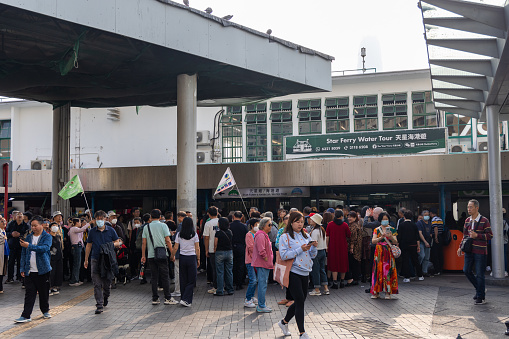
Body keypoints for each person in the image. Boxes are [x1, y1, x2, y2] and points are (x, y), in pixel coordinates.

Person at [277, 211, 317, 339]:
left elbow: (312, 255)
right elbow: (283, 255)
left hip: (306, 271)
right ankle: (302, 333)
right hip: (293, 271)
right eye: (297, 222)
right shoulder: (285, 237)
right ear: (291, 222)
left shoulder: (306, 235)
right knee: (299, 300)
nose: (300, 224)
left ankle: (284, 322)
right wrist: (301, 249)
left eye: (301, 222)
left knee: (301, 300)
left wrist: (313, 247)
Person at [15, 215, 52, 323]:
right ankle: (26, 315)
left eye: (35, 225)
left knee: (43, 292)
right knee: (29, 293)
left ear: (42, 225)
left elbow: (44, 249)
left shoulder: (47, 237)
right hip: (30, 270)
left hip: (43, 270)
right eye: (32, 226)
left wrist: (29, 246)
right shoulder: (28, 237)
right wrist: (22, 267)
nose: (33, 228)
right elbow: (23, 253)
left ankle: (45, 310)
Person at [84, 210, 122, 314]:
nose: (99, 221)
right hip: (95, 259)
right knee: (97, 283)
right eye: (97, 219)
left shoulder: (110, 230)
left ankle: (106, 296)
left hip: (108, 260)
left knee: (107, 282)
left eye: (101, 219)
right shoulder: (92, 232)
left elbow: (117, 242)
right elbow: (88, 245)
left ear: (105, 219)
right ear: (95, 220)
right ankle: (99, 304)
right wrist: (86, 259)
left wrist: (109, 246)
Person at [457, 199, 493, 305]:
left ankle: (480, 296)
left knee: (480, 274)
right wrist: (460, 247)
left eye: (471, 207)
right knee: (466, 270)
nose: (468, 209)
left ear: (477, 208)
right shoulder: (467, 220)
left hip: (480, 251)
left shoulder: (484, 220)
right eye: (468, 207)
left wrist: (477, 235)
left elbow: (490, 235)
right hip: (469, 250)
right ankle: (480, 289)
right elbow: (464, 236)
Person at [141, 209, 177, 306]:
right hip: (162, 254)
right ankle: (167, 297)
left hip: (151, 255)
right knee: (165, 276)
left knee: (154, 277)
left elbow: (144, 243)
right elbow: (168, 240)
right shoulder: (163, 225)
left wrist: (143, 255)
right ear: (160, 217)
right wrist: (172, 253)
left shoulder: (146, 227)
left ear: (151, 217)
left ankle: (155, 298)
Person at [170, 216, 199, 307]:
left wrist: (172, 256)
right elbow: (197, 248)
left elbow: (175, 247)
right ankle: (187, 300)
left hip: (182, 258)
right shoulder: (194, 234)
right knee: (191, 280)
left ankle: (183, 298)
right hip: (191, 258)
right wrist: (198, 259)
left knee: (183, 279)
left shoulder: (179, 234)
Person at [370, 212, 398, 299]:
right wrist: (381, 237)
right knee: (378, 270)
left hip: (388, 251)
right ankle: (376, 292)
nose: (385, 221)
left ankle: (388, 292)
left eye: (386, 219)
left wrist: (391, 237)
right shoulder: (376, 230)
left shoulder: (392, 229)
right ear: (380, 220)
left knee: (388, 271)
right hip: (379, 252)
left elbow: (395, 242)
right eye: (383, 219)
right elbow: (373, 241)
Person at [251, 217, 274, 313]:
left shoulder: (263, 234)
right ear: (264, 225)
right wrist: (265, 258)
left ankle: (261, 304)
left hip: (265, 263)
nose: (271, 226)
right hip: (263, 263)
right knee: (262, 284)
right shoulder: (261, 235)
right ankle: (261, 305)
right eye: (269, 224)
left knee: (263, 284)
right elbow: (261, 250)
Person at [326, 209, 351, 289]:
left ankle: (335, 282)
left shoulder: (330, 224)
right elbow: (349, 235)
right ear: (341, 216)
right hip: (343, 246)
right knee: (343, 263)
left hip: (332, 246)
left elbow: (327, 236)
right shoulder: (345, 225)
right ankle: (342, 281)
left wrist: (327, 246)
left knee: (334, 264)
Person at [397, 210, 424, 283]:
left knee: (405, 260)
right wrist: (418, 246)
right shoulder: (414, 225)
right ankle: (420, 276)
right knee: (415, 260)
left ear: (404, 217)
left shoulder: (401, 225)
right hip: (413, 245)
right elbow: (417, 237)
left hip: (404, 245)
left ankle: (407, 277)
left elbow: (399, 236)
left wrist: (397, 244)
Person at [6, 211, 30, 283]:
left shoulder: (26, 225)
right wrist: (11, 234)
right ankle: (10, 277)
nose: (19, 216)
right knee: (11, 263)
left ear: (23, 217)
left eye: (21, 215)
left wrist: (20, 235)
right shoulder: (11, 224)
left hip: (21, 247)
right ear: (15, 217)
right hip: (12, 246)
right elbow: (6, 233)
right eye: (18, 215)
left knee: (20, 262)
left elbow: (27, 234)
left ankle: (20, 277)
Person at [309, 213, 329, 296]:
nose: (310, 220)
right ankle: (326, 288)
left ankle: (317, 289)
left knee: (315, 271)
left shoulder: (315, 231)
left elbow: (313, 243)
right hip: (323, 251)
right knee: (322, 270)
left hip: (316, 252)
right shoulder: (322, 229)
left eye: (312, 219)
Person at [213, 217, 234, 296]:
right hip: (229, 252)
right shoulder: (230, 232)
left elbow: (215, 243)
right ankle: (230, 289)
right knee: (229, 271)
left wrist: (215, 250)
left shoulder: (218, 233)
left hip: (220, 252)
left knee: (220, 272)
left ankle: (220, 290)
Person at [170, 211, 187, 298]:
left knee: (178, 272)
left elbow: (176, 239)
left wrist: (172, 254)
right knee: (185, 272)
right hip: (187, 252)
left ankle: (178, 290)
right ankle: (186, 290)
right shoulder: (189, 225)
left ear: (180, 217)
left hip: (179, 252)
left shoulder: (180, 226)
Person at [230, 211, 248, 290]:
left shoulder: (230, 225)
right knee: (241, 265)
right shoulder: (244, 226)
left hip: (231, 247)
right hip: (241, 247)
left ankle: (233, 281)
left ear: (233, 216)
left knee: (233, 265)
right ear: (241, 217)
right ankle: (239, 283)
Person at [203, 206, 219, 294]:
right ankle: (223, 286)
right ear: (217, 213)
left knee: (214, 268)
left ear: (208, 214)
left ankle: (216, 286)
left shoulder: (208, 223)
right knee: (222, 268)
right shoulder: (222, 221)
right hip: (222, 249)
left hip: (212, 249)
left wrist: (206, 249)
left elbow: (206, 237)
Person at [244, 218, 259, 308]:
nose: (258, 226)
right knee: (253, 280)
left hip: (257, 261)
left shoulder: (258, 234)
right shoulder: (249, 235)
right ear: (252, 225)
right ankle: (247, 299)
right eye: (257, 224)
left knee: (255, 280)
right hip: (250, 260)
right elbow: (251, 248)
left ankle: (251, 296)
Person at [69, 218, 87, 286]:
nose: (80, 223)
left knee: (78, 263)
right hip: (76, 246)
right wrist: (88, 224)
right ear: (77, 222)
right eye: (80, 222)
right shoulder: (73, 228)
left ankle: (76, 279)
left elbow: (81, 235)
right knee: (76, 264)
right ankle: (73, 280)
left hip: (79, 246)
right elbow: (81, 230)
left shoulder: (77, 229)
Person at [346, 211, 363, 286]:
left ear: (355, 218)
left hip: (354, 247)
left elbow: (353, 238)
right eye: (348, 217)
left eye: (351, 217)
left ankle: (354, 279)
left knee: (353, 263)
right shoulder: (356, 225)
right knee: (355, 262)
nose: (349, 218)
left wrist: (351, 247)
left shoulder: (353, 226)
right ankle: (355, 278)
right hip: (357, 247)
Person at [416, 210, 432, 277]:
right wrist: (425, 241)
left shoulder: (429, 223)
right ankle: (417, 269)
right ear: (422, 216)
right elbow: (420, 233)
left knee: (427, 257)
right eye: (425, 215)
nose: (427, 216)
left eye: (428, 215)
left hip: (428, 242)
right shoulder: (419, 223)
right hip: (421, 242)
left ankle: (424, 271)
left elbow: (431, 232)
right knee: (421, 255)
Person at [49, 222, 63, 295]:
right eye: (53, 226)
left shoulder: (58, 236)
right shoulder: (48, 237)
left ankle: (55, 286)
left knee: (58, 272)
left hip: (59, 256)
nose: (55, 227)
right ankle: (49, 287)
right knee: (52, 272)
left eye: (56, 226)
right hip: (51, 257)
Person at [430, 207, 444, 275]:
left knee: (435, 254)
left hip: (437, 237)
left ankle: (437, 270)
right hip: (441, 237)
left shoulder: (434, 219)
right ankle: (441, 269)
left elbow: (435, 228)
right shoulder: (440, 219)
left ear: (431, 213)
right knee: (440, 253)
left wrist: (435, 237)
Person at [0, 217, 7, 293]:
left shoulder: (3, 231)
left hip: (4, 252)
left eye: (5, 221)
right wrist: (4, 238)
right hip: (0, 252)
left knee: (2, 270)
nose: (4, 223)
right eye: (2, 221)